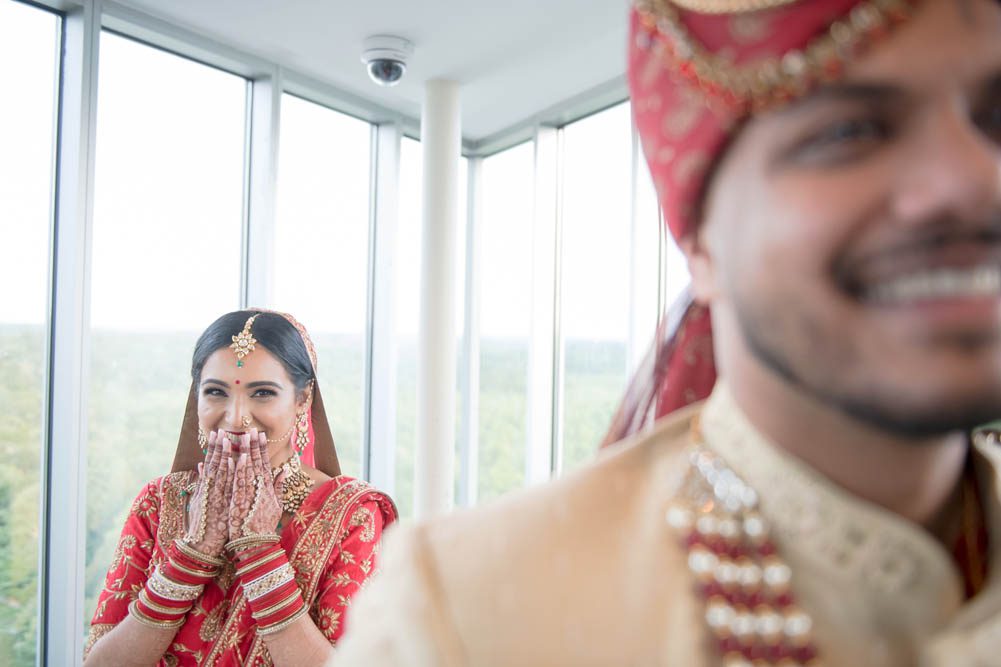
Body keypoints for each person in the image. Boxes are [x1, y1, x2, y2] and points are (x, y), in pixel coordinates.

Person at [333, 0, 1001, 664]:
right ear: (700, 244)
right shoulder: (464, 618)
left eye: (997, 121)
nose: (978, 179)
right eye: (850, 131)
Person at [84, 310, 397, 666]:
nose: (236, 419)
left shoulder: (351, 514)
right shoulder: (159, 502)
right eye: (215, 392)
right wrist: (192, 554)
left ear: (303, 400)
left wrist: (259, 552)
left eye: (262, 393)